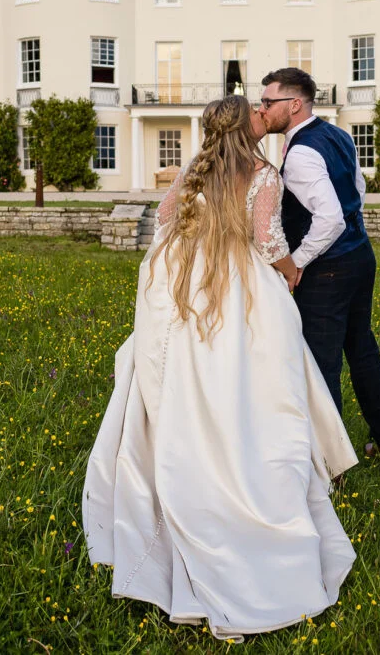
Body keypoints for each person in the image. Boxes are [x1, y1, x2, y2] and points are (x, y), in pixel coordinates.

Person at [82, 94, 358, 642]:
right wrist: (291, 272)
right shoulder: (263, 174)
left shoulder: (195, 169)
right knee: (252, 384)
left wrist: (192, 253)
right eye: (255, 111)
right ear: (243, 126)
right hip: (238, 286)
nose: (263, 113)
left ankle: (190, 461)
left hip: (188, 281)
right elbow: (268, 239)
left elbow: (165, 220)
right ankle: (245, 469)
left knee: (190, 382)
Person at [258, 67, 380, 463]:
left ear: (295, 104)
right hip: (359, 257)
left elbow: (330, 218)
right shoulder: (337, 134)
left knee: (322, 365)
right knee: (362, 347)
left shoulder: (301, 151)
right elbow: (358, 189)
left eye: (269, 102)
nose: (263, 109)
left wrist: (297, 262)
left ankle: (330, 464)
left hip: (329, 268)